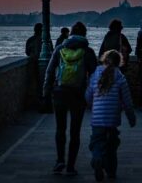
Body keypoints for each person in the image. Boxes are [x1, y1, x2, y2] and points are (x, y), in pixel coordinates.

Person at [44, 22, 98, 176]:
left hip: (59, 93)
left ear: (70, 33)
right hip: (78, 95)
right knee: (75, 132)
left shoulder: (60, 49)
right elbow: (94, 77)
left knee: (60, 129)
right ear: (85, 34)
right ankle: (71, 166)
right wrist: (94, 98)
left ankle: (59, 160)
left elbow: (49, 72)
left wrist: (46, 92)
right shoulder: (88, 52)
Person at [86, 50, 137, 181]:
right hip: (113, 119)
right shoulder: (120, 77)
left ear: (104, 59)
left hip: (97, 119)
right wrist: (131, 118)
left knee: (97, 143)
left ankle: (97, 159)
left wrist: (94, 106)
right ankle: (111, 172)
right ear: (118, 62)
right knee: (112, 145)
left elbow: (88, 96)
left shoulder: (95, 74)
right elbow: (127, 101)